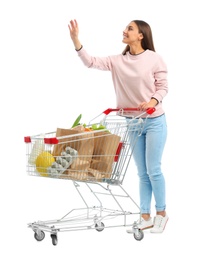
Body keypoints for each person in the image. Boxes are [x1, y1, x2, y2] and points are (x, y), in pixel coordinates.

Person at [68, 19, 168, 233]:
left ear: (141, 35)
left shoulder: (154, 59)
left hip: (154, 122)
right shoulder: (118, 60)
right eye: (126, 28)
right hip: (131, 123)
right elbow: (91, 62)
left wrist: (152, 102)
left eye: (130, 28)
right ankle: (145, 216)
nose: (125, 31)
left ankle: (161, 214)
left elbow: (163, 86)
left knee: (154, 170)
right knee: (142, 173)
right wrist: (77, 41)